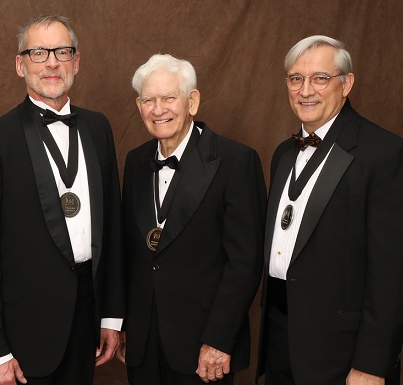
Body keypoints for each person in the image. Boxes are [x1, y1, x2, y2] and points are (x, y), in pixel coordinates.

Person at [0, 14, 125, 385]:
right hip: (20, 335)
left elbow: (111, 225)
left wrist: (111, 316)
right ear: (20, 64)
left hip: (88, 322)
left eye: (62, 51)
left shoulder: (99, 127)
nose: (51, 62)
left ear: (76, 62)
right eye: (38, 53)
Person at [257, 35, 403, 385]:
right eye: (296, 79)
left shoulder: (383, 153)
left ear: (346, 83)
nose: (306, 90)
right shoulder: (283, 153)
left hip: (342, 353)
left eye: (320, 78)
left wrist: (372, 363)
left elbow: (393, 272)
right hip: (280, 337)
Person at [116, 53, 266, 384]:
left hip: (203, 346)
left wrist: (219, 340)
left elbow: (245, 262)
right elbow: (131, 252)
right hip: (143, 343)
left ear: (192, 101)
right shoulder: (136, 161)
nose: (158, 109)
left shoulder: (236, 161)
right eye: (148, 100)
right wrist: (126, 324)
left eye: (169, 98)